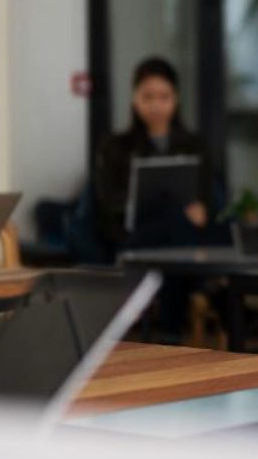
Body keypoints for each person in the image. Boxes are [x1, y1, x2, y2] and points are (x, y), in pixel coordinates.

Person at [94, 57, 216, 342]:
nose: (156, 105)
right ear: (134, 99)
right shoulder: (115, 148)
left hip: (184, 235)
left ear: (176, 99)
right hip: (135, 237)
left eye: (164, 97)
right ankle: (174, 328)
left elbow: (208, 196)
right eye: (147, 97)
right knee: (174, 232)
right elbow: (108, 207)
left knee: (178, 229)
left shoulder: (195, 145)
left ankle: (171, 331)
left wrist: (202, 210)